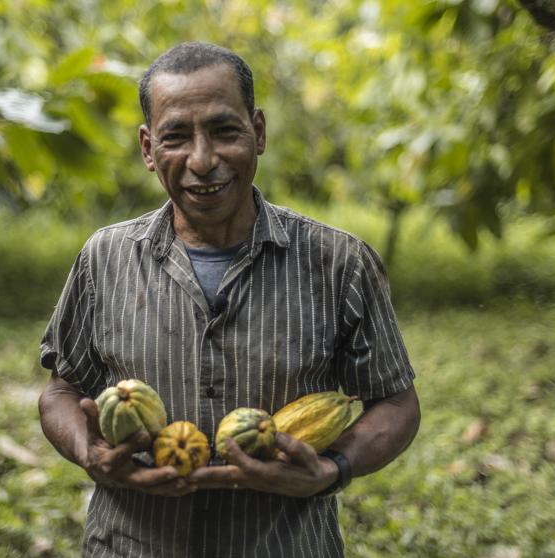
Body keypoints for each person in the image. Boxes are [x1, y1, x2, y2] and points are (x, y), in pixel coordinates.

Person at [38, 41, 420, 558]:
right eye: (176, 137)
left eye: (224, 131)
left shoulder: (340, 263)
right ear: (149, 149)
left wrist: (333, 469)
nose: (203, 160)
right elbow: (62, 390)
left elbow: (395, 402)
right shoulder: (104, 258)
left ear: (257, 132)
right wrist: (88, 451)